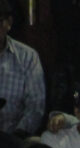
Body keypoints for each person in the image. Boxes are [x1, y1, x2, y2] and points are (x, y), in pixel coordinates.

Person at [0, 0, 45, 136]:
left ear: (9, 23)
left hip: (14, 138)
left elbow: (35, 106)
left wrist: (17, 136)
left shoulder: (27, 57)